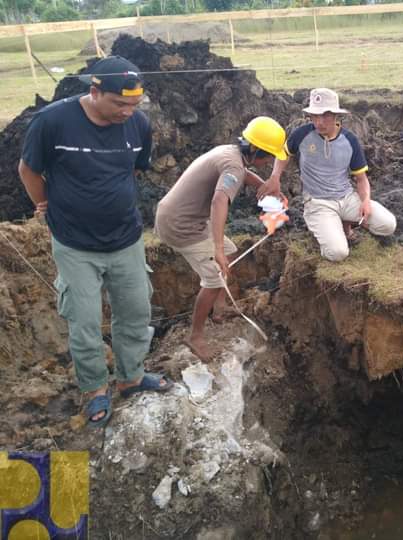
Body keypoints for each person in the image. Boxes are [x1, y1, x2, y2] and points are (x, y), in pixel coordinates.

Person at [18, 56, 172, 428]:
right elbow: (29, 169)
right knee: (84, 321)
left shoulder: (137, 124)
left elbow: (135, 169)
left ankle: (131, 378)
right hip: (74, 243)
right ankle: (94, 389)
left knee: (135, 312)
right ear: (95, 91)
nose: (127, 112)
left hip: (126, 238)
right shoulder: (54, 121)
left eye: (133, 104)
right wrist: (45, 205)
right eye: (119, 103)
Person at [154, 116, 287, 362]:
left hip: (182, 216)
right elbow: (219, 201)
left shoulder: (231, 152)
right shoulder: (234, 165)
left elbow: (242, 173)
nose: (269, 161)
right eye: (268, 156)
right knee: (214, 278)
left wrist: (266, 186)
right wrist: (215, 247)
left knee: (231, 250)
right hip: (181, 225)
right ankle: (195, 336)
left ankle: (220, 308)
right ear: (255, 149)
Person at [257, 88, 396, 262]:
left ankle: (343, 223)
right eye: (315, 116)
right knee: (338, 253)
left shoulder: (350, 140)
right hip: (318, 202)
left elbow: (361, 179)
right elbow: (283, 154)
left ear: (336, 116)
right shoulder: (301, 134)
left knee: (388, 224)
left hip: (346, 198)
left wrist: (366, 201)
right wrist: (275, 177)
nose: (319, 122)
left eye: (325, 115)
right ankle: (324, 229)